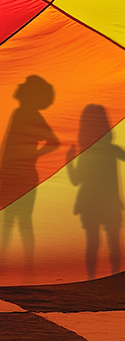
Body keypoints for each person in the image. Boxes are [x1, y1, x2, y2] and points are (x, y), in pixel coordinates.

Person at [0, 75, 59, 273]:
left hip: (21, 174)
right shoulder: (21, 113)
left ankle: (19, 264)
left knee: (18, 221)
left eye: (23, 85)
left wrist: (31, 155)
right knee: (13, 221)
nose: (18, 85)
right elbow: (8, 145)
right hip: (13, 173)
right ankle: (11, 264)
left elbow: (53, 141)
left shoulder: (28, 114)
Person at [67, 104, 125, 279]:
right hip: (109, 203)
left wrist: (69, 161)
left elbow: (76, 180)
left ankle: (91, 278)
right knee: (112, 243)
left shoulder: (87, 152)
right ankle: (114, 279)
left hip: (92, 204)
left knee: (93, 243)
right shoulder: (111, 149)